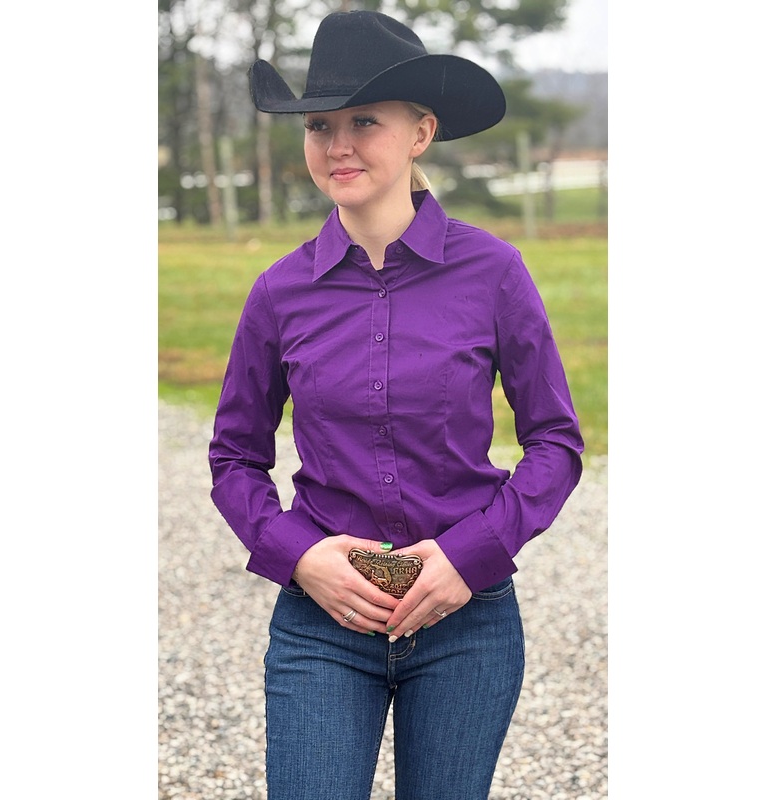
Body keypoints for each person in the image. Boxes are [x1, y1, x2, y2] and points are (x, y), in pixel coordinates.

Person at [209, 10, 584, 800]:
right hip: (322, 623)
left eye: (364, 122)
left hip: (464, 623)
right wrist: (296, 554)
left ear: (421, 133)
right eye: (320, 126)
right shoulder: (279, 291)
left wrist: (472, 554)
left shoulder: (494, 272)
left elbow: (555, 441)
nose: (337, 145)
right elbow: (235, 457)